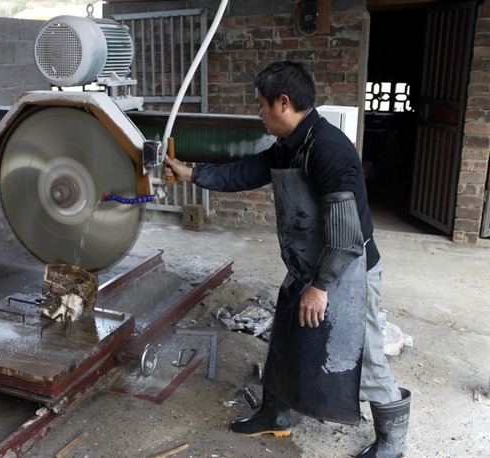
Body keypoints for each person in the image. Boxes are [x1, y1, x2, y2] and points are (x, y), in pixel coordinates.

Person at [164, 60, 411, 457]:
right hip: (306, 264)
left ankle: (393, 443)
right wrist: (190, 173)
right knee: (285, 339)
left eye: (260, 105)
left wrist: (320, 286)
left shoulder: (328, 150)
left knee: (362, 355)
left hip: (346, 271)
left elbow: (347, 237)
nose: (258, 114)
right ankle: (274, 415)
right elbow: (245, 172)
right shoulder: (290, 145)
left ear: (283, 103)